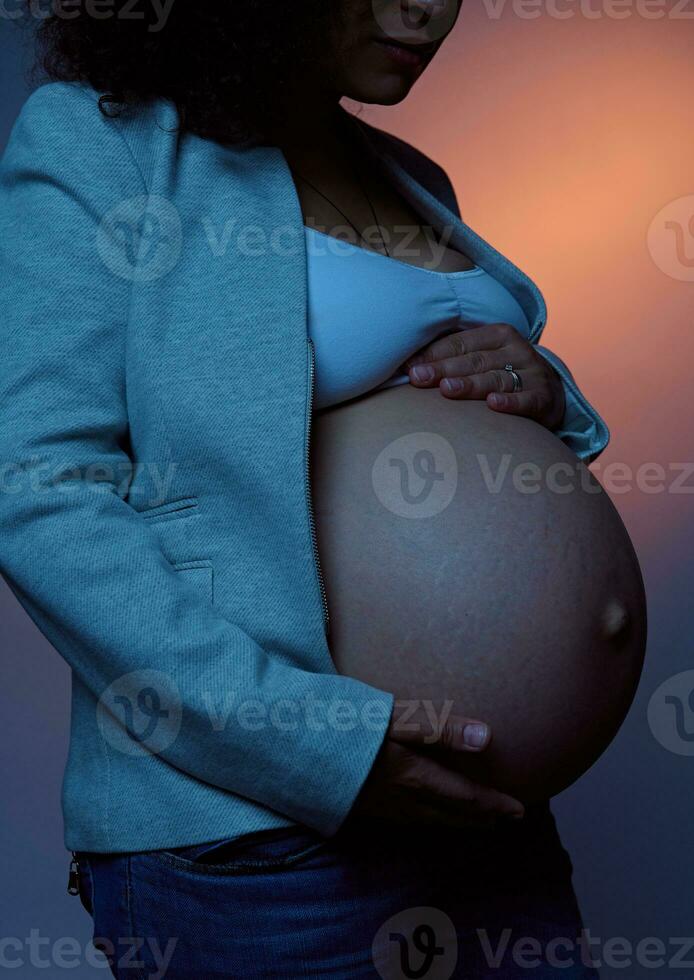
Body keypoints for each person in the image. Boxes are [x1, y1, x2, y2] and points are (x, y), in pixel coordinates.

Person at [0, 1, 607, 976]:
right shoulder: (104, 143)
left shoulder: (407, 173)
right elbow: (39, 489)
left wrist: (544, 391)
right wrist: (316, 744)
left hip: (489, 818)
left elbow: (413, 427)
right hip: (261, 840)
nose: (425, 11)